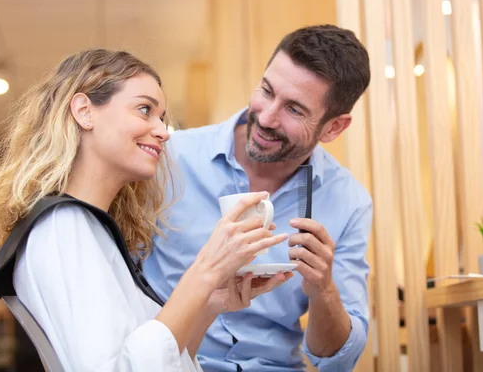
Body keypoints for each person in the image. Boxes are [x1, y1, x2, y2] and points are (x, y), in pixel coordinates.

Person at [0, 49, 293, 372]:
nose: (164, 131)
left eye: (163, 118)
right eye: (145, 110)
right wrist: (206, 269)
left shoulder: (89, 229)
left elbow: (162, 361)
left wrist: (210, 302)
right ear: (85, 111)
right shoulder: (62, 226)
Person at [144, 24, 372, 371]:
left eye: (294, 110)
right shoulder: (169, 160)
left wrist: (322, 289)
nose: (266, 117)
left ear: (333, 128)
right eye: (266, 91)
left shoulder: (348, 202)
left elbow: (336, 360)